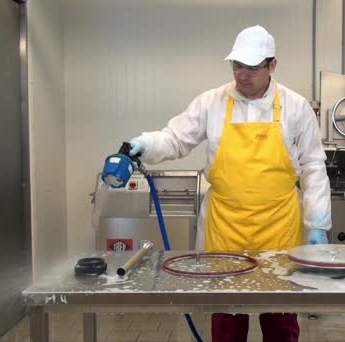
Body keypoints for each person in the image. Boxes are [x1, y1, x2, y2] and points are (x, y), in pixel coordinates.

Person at [128, 25, 331, 342]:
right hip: (226, 225)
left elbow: (313, 165)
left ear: (272, 65)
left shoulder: (296, 107)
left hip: (278, 225)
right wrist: (145, 144)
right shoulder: (212, 102)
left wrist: (317, 222)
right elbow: (175, 139)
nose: (243, 75)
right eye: (237, 66)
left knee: (280, 317)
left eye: (252, 67)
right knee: (226, 319)